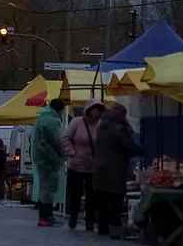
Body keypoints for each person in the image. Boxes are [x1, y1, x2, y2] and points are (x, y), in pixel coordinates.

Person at [92, 102, 142, 237]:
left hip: (98, 168)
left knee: (101, 201)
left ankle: (102, 228)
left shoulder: (101, 126)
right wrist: (141, 150)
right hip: (114, 169)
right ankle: (115, 228)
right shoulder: (120, 128)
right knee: (115, 200)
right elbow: (128, 147)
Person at [63, 98, 104, 231]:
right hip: (75, 165)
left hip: (92, 166)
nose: (97, 113)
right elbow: (65, 138)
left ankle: (89, 219)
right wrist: (72, 152)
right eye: (95, 110)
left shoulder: (100, 125)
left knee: (92, 195)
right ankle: (73, 216)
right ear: (88, 110)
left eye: (99, 110)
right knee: (75, 194)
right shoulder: (77, 122)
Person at [30, 99, 66, 226]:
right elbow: (57, 140)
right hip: (50, 159)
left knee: (44, 188)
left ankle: (45, 216)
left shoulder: (42, 118)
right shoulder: (53, 121)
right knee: (49, 189)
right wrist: (65, 154)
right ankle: (46, 217)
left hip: (40, 158)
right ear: (60, 110)